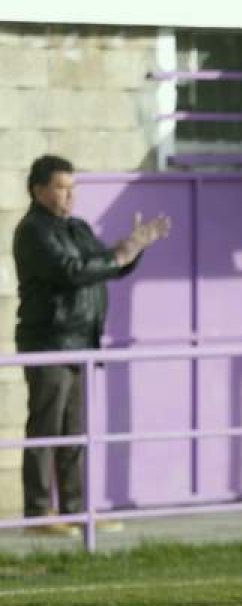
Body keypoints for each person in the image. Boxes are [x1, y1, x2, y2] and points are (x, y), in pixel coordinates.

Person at [14, 154, 170, 536]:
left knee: (76, 432)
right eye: (60, 188)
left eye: (73, 188)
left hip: (83, 343)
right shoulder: (34, 231)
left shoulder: (77, 227)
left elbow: (104, 262)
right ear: (38, 191)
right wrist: (118, 256)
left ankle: (75, 509)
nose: (69, 196)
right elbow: (70, 272)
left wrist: (133, 248)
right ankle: (38, 513)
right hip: (50, 342)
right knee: (47, 430)